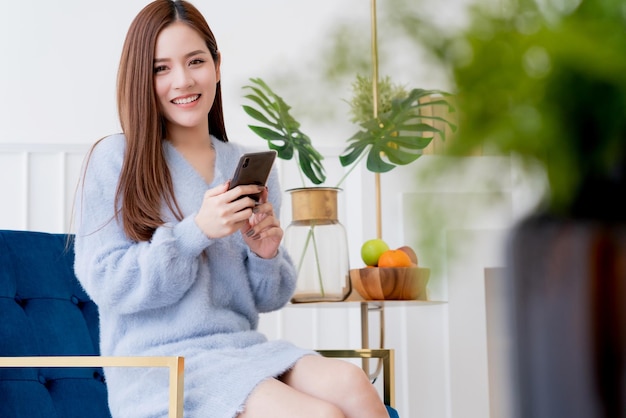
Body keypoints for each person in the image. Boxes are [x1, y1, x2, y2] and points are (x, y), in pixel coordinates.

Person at [73, 1, 390, 417]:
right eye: (161, 68)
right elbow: (107, 283)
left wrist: (266, 255)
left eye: (196, 61)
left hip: (242, 352)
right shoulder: (116, 159)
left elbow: (269, 298)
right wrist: (196, 231)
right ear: (141, 78)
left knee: (351, 383)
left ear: (217, 65)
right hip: (163, 368)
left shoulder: (245, 165)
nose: (183, 80)